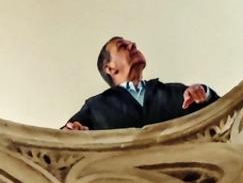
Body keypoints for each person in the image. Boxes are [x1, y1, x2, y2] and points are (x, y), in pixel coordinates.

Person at [62, 36, 219, 132]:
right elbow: (64, 137)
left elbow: (219, 113)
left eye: (132, 44)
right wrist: (72, 131)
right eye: (123, 46)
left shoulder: (175, 91)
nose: (133, 45)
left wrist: (203, 93)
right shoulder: (95, 106)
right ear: (110, 68)